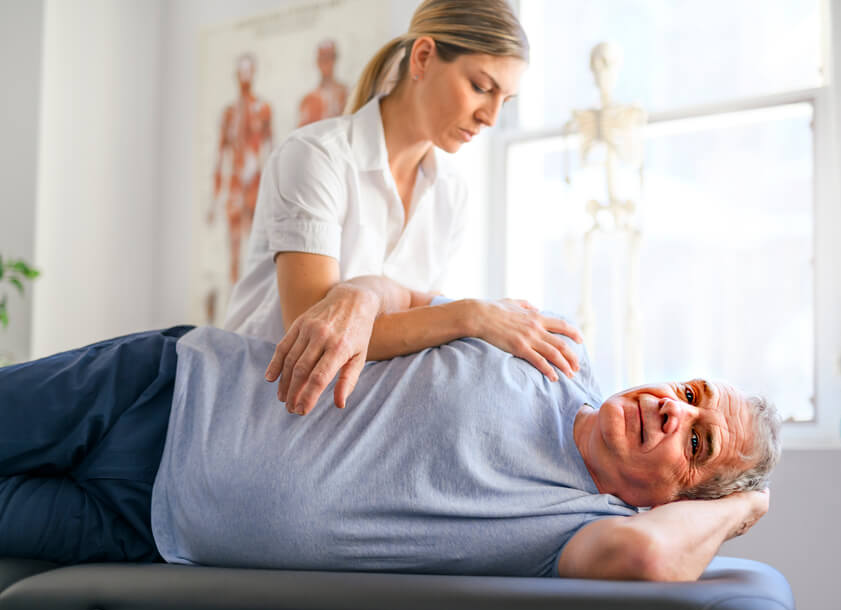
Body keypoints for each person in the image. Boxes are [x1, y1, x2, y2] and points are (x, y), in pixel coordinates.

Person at [0, 308, 778, 578]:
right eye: (690, 392)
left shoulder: (578, 525)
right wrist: (463, 312)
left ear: (673, 498)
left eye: (698, 442)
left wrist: (747, 502)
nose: (673, 408)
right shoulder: (547, 350)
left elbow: (649, 560)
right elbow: (383, 297)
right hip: (159, 386)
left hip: (143, 528)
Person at [223, 0, 584, 429]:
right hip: (245, 411)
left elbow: (411, 330)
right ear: (424, 57)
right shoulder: (316, 157)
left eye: (504, 100)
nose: (490, 117)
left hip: (342, 426)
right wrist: (472, 316)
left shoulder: (451, 194)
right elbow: (313, 333)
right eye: (481, 87)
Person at [207, 52, 273, 290]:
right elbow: (220, 155)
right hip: (235, 187)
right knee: (234, 249)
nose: (244, 77)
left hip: (255, 187)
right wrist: (213, 200)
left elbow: (270, 151)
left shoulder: (263, 109)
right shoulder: (229, 114)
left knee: (258, 252)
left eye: (248, 71)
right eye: (241, 71)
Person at [297, 39, 349, 128]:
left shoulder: (345, 94)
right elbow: (301, 132)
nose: (326, 62)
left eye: (329, 57)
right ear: (318, 61)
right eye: (323, 58)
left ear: (334, 60)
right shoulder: (309, 99)